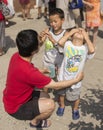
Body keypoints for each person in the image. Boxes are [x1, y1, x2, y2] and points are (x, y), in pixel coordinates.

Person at [3, 29, 83, 128]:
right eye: (38, 39)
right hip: (16, 108)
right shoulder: (30, 73)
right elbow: (56, 86)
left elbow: (25, 71)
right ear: (34, 50)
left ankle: (35, 111)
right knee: (50, 104)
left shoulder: (16, 56)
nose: (40, 39)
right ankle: (35, 122)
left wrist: (40, 43)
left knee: (45, 95)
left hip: (11, 99)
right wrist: (76, 80)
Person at [54, 28, 95, 120]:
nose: (80, 31)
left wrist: (87, 37)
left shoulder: (85, 48)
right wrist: (69, 33)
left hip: (76, 80)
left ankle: (75, 109)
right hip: (63, 78)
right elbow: (60, 43)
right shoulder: (68, 44)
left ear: (84, 39)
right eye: (77, 31)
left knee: (76, 96)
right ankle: (62, 106)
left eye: (82, 32)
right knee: (61, 94)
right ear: (72, 36)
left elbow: (92, 50)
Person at [39, 8, 69, 92]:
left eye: (55, 21)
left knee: (59, 82)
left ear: (62, 20)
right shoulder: (48, 30)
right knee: (45, 80)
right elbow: (40, 44)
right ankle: (45, 95)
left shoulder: (65, 34)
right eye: (51, 22)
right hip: (48, 61)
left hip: (60, 62)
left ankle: (60, 98)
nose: (53, 24)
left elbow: (62, 49)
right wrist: (40, 38)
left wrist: (53, 40)